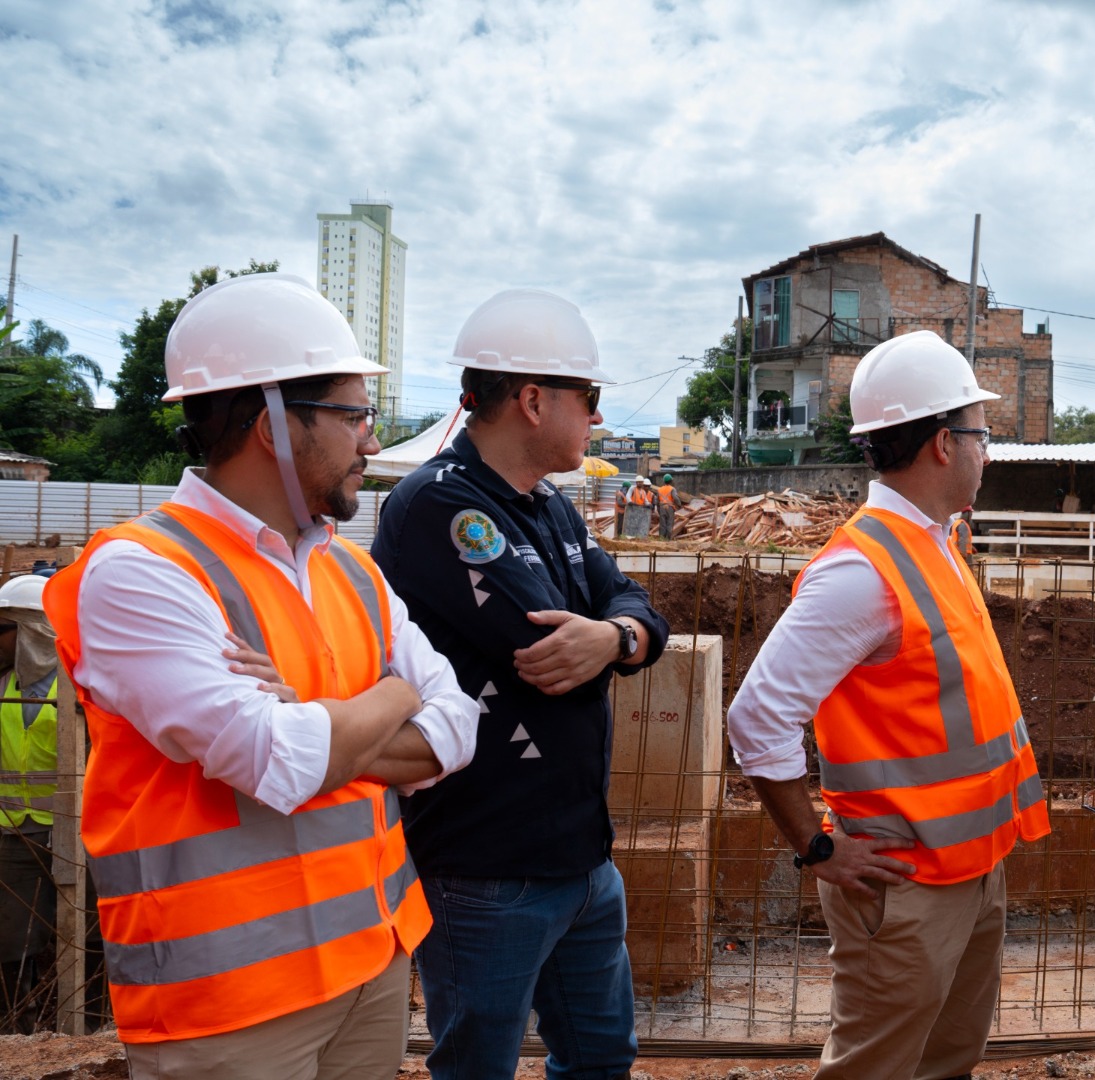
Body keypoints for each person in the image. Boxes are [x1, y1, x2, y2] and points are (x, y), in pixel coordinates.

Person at [40, 273, 479, 1078]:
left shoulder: (354, 573)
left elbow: (458, 733)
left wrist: (322, 721)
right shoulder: (142, 573)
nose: (372, 444)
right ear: (275, 424)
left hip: (372, 962)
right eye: (355, 417)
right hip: (224, 1008)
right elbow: (278, 760)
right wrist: (396, 692)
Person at [727, 330, 1050, 1080]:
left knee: (946, 1061)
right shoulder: (859, 573)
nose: (988, 451)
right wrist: (816, 845)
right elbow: (758, 717)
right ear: (943, 443)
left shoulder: (940, 539)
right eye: (981, 432)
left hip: (971, 867)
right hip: (903, 886)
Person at [371, 288, 670, 1080]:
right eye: (590, 398)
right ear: (533, 401)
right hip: (486, 869)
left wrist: (615, 637)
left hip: (579, 861)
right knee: (477, 1068)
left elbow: (636, 612)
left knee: (604, 1059)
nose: (597, 419)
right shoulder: (439, 504)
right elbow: (546, 656)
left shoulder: (549, 510)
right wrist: (611, 639)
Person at [0, 575, 57, 1032]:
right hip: (12, 833)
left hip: (75, 834)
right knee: (12, 941)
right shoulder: (2, 686)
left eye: (5, 626)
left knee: (92, 935)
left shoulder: (82, 689)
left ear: (34, 630)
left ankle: (93, 1027)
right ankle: (21, 1029)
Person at [656, 472, 678, 539]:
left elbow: (657, 501)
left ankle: (662, 538)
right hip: (670, 508)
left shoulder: (659, 489)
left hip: (662, 507)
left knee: (662, 524)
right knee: (669, 523)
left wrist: (658, 509)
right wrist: (679, 505)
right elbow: (676, 498)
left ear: (664, 481)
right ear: (671, 481)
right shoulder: (672, 489)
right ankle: (668, 539)